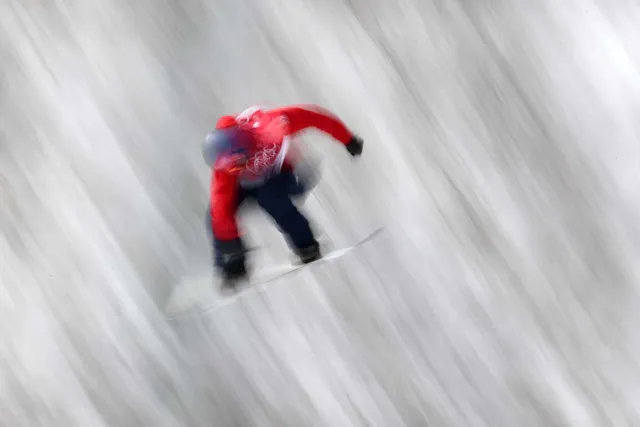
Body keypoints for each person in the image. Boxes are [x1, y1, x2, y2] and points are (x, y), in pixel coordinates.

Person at [202, 104, 364, 285]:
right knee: (215, 217)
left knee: (270, 198)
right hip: (245, 187)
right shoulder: (225, 168)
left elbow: (312, 117)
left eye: (236, 164)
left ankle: (306, 245)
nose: (233, 169)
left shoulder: (273, 127)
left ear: (243, 148)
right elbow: (221, 203)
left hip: (280, 178)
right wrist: (231, 246)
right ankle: (232, 262)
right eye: (229, 167)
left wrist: (348, 139)